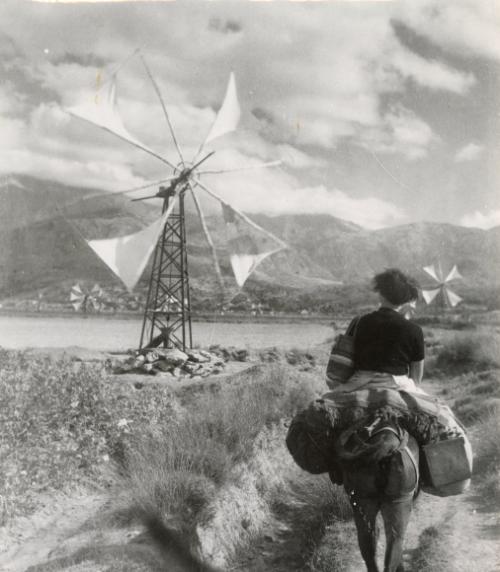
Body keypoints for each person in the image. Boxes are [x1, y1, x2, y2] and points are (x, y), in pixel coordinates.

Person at [353, 268, 424, 390]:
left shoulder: (360, 322)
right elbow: (416, 378)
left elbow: (349, 362)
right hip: (399, 384)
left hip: (360, 383)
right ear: (405, 299)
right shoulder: (415, 330)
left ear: (381, 295)